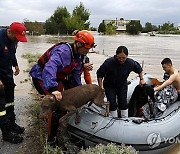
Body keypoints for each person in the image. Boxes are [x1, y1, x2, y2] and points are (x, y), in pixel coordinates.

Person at [29, 30, 95, 146]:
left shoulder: (79, 55)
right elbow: (49, 68)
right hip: (42, 77)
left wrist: (81, 92)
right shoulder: (63, 51)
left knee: (70, 99)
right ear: (79, 44)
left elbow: (75, 75)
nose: (87, 51)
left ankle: (64, 124)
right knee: (58, 105)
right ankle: (52, 139)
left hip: (58, 77)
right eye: (87, 48)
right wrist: (53, 88)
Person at [96, 46, 145, 118]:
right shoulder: (109, 62)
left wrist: (142, 79)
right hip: (109, 85)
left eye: (123, 58)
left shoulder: (130, 63)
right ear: (116, 55)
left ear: (127, 57)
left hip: (122, 84)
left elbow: (139, 69)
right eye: (119, 57)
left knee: (123, 103)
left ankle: (125, 118)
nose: (121, 60)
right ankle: (114, 118)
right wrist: (100, 88)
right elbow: (100, 75)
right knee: (112, 103)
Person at [0, 22, 27, 144]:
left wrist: (15, 65)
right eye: (16, 37)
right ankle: (6, 132)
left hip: (7, 74)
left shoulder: (13, 41)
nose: (18, 40)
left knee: (10, 101)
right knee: (1, 106)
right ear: (9, 31)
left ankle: (11, 123)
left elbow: (12, 54)